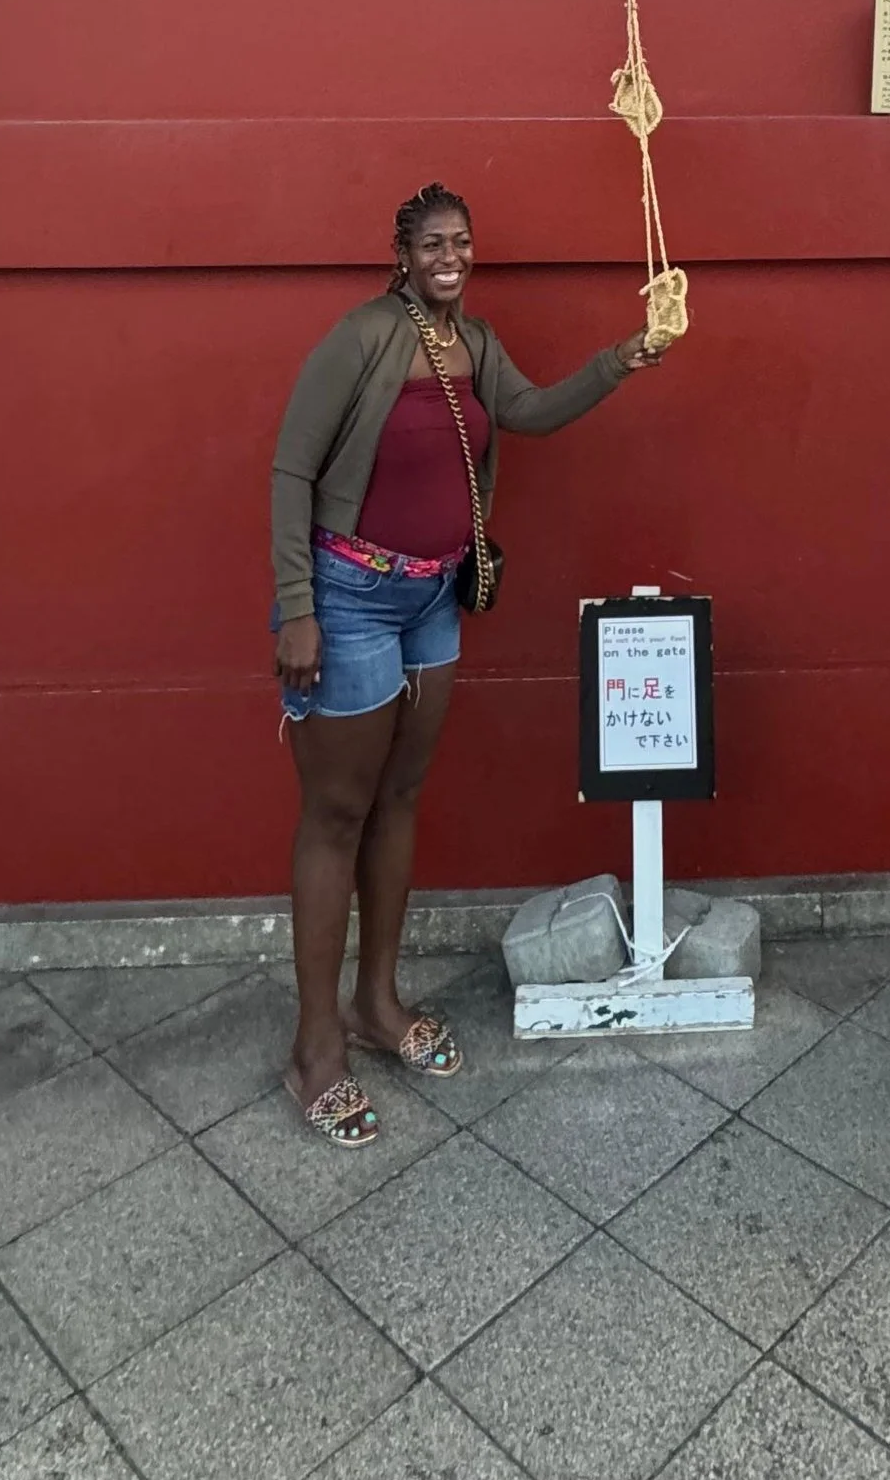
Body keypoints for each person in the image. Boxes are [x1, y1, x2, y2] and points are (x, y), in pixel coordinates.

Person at [271, 182, 669, 1147]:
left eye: (463, 242)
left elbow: (527, 413)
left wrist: (626, 357)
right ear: (402, 251)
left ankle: (378, 1003)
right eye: (433, 243)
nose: (451, 256)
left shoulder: (476, 345)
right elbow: (291, 468)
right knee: (336, 813)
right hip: (350, 597)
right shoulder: (362, 338)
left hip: (435, 598)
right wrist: (296, 608)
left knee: (402, 796)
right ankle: (314, 1047)